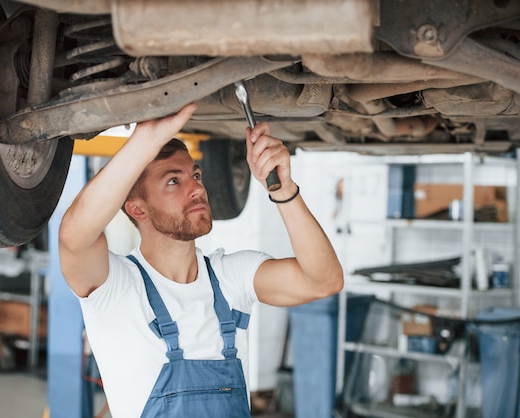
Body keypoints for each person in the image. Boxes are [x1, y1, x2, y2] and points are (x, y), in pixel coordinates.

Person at [59, 103, 344, 417]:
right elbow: (74, 237)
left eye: (195, 175)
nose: (196, 187)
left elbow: (324, 280)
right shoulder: (115, 287)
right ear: (137, 209)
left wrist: (284, 189)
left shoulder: (230, 277)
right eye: (173, 180)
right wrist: (144, 141)